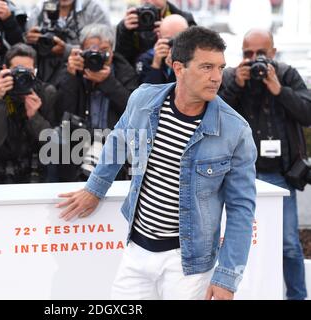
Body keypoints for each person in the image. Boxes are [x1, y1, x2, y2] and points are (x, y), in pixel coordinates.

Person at [56, 26, 257, 300]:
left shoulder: (235, 130)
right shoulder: (143, 100)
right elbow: (118, 140)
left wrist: (227, 277)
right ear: (178, 67)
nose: (216, 78)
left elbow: (241, 209)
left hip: (189, 264)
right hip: (136, 250)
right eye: (206, 67)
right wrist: (95, 188)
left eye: (221, 68)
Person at [219, 29, 310, 300]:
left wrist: (279, 90)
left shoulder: (286, 74)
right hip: (240, 175)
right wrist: (236, 84)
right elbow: (215, 115)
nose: (255, 59)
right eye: (248, 53)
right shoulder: (232, 76)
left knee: (289, 244)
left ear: (273, 52)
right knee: (237, 240)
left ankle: (297, 296)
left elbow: (307, 113)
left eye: (261, 53)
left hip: (280, 175)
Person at [55, 23, 138, 182]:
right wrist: (71, 77)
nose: (97, 56)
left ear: (112, 52)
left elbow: (135, 111)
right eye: (92, 51)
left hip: (115, 146)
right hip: (77, 146)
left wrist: (108, 83)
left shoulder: (124, 71)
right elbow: (61, 113)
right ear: (81, 51)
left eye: (103, 51)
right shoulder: (72, 70)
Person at [0, 43, 57, 184]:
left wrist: (34, 117)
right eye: (17, 71)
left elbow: (53, 146)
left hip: (35, 172)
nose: (22, 77)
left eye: (27, 71)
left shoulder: (46, 93)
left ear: (35, 71)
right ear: (5, 70)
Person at [25, 0, 110, 85]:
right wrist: (31, 40)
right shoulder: (39, 9)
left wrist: (66, 50)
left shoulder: (94, 10)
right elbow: (25, 49)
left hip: (81, 78)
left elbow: (104, 49)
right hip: (44, 73)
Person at [115, 0, 195, 68]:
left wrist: (170, 32)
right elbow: (121, 62)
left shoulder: (184, 20)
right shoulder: (131, 22)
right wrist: (124, 31)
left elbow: (194, 56)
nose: (150, 2)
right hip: (138, 75)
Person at [136, 14, 188, 84]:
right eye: (169, 40)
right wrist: (156, 65)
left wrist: (178, 70)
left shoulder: (195, 58)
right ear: (159, 37)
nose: (174, 46)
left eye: (178, 40)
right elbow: (147, 93)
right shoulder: (147, 59)